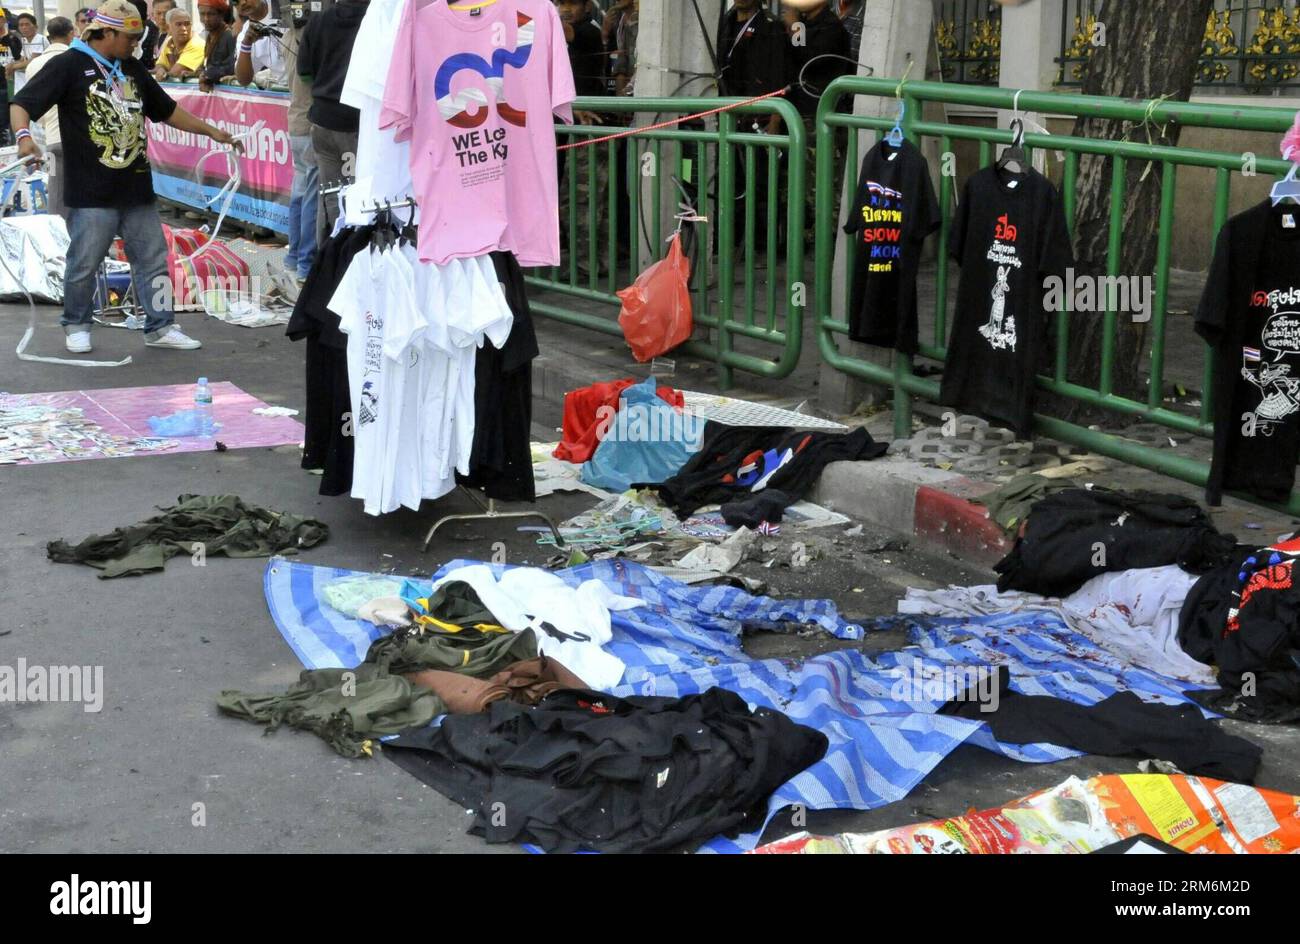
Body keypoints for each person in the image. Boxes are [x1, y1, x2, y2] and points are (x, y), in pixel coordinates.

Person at [12, 0, 243, 353]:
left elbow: (168, 111)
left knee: (154, 260)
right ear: (106, 33)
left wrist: (212, 131)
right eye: (129, 37)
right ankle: (76, 323)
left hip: (136, 188)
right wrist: (23, 137)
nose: (135, 43)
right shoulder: (68, 65)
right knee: (84, 262)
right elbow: (22, 103)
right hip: (91, 191)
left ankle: (161, 326)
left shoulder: (132, 67)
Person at [299, 0, 365, 242]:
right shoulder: (374, 18)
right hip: (354, 126)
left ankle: (327, 257)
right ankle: (349, 259)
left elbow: (305, 73)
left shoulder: (317, 21)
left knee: (330, 195)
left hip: (323, 123)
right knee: (360, 196)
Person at [276, 5, 316, 299]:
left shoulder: (291, 34)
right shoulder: (306, 35)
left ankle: (294, 260)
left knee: (300, 192)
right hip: (309, 123)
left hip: (298, 121)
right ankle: (304, 264)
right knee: (309, 195)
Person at [22, 15, 71, 213]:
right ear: (71, 34)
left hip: (51, 137)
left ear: (49, 37)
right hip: (81, 138)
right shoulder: (80, 59)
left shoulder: (34, 64)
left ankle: (57, 236)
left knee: (56, 191)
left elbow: (33, 106)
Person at [233, 0, 286, 88]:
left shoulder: (283, 5)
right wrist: (246, 45)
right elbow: (244, 80)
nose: (242, 3)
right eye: (235, 1)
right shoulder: (245, 34)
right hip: (288, 90)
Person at [153, 7, 204, 80]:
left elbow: (175, 73)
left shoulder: (197, 44)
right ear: (168, 28)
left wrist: (161, 72)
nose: (184, 28)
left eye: (187, 24)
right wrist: (161, 69)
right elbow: (160, 64)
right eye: (179, 24)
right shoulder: (169, 41)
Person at [197, 0, 235, 92]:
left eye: (210, 14)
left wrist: (208, 75)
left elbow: (231, 67)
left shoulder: (229, 36)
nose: (206, 19)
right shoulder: (210, 36)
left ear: (221, 15)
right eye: (202, 14)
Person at [10, 13, 50, 95]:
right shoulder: (24, 40)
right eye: (21, 25)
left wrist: (12, 67)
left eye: (27, 24)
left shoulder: (40, 39)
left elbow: (33, 60)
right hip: (33, 74)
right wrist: (10, 66)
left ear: (35, 27)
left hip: (44, 74)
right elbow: (22, 59)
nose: (24, 28)